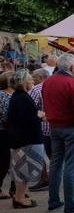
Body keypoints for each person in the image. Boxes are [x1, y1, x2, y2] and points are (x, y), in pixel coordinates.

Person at [42, 53, 74, 213]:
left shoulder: (47, 82)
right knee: (71, 166)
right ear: (71, 67)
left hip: (54, 127)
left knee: (56, 163)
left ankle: (53, 200)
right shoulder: (72, 82)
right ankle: (71, 203)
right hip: (72, 127)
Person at [7, 70, 46, 209]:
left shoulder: (19, 96)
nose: (32, 81)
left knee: (22, 171)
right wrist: (39, 115)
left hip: (23, 140)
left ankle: (20, 196)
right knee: (23, 171)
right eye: (30, 79)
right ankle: (19, 198)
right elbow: (27, 119)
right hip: (25, 141)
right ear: (23, 82)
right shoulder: (21, 97)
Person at [29, 68, 51, 191]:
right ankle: (52, 178)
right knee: (54, 156)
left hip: (42, 127)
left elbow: (29, 107)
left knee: (42, 155)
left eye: (34, 77)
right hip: (55, 126)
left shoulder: (36, 89)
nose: (32, 80)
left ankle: (45, 178)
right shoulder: (54, 86)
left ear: (41, 78)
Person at [0, 71, 14, 200]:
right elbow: (6, 116)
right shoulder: (4, 96)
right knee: (4, 161)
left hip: (7, 132)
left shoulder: (10, 95)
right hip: (4, 132)